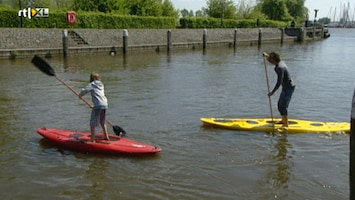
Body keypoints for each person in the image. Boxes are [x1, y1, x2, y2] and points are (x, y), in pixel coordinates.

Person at [263, 52, 295, 127]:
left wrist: (272, 92)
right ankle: (283, 120)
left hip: (289, 87)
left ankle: (286, 124)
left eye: (270, 60)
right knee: (279, 104)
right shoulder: (280, 62)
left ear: (274, 60)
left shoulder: (280, 68)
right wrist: (266, 55)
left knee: (283, 105)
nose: (269, 61)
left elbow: (279, 82)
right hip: (285, 87)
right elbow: (273, 59)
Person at [79, 72, 109, 142]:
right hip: (105, 104)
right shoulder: (101, 85)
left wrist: (80, 95)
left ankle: (92, 139)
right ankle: (106, 136)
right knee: (102, 121)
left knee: (93, 122)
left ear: (92, 78)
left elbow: (85, 90)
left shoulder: (92, 84)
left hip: (98, 105)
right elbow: (99, 95)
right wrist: (94, 105)